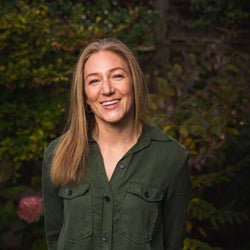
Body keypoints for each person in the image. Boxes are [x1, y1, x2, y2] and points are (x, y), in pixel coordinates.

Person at [42, 38, 190, 250]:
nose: (107, 89)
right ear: (84, 95)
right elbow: (54, 238)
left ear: (134, 82)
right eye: (94, 81)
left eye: (117, 76)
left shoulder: (172, 157)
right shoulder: (56, 154)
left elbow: (172, 243)